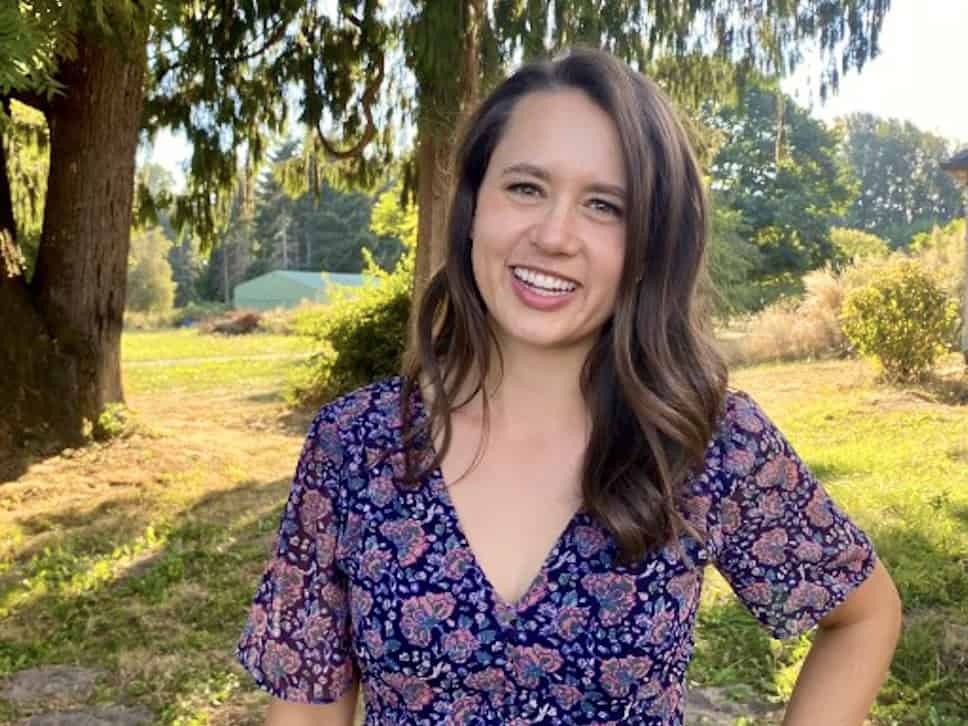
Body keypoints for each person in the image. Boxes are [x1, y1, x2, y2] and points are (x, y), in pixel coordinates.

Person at [236, 47, 902, 726]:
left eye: (605, 206)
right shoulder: (354, 445)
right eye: (525, 187)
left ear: (650, 243)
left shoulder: (703, 440)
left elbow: (863, 614)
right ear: (473, 207)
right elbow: (308, 698)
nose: (554, 235)